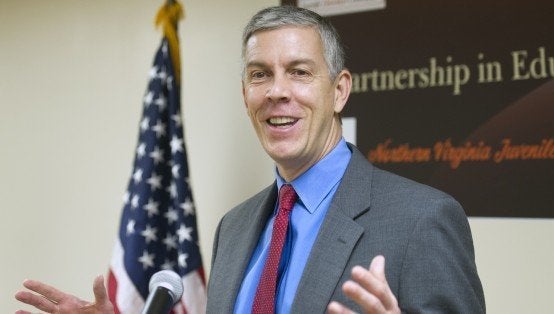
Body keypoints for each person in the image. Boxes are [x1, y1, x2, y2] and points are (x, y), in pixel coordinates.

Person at [15, 5, 485, 314]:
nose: (277, 92)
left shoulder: (423, 219)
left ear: (340, 90)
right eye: (261, 75)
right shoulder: (235, 227)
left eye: (299, 73)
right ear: (245, 96)